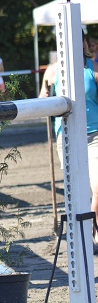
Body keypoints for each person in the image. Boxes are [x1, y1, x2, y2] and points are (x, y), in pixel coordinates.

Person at [53, 36, 98, 250]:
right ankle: (81, 237)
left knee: (97, 188)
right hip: (67, 135)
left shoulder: (94, 67)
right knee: (75, 189)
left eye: (78, 40)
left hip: (95, 134)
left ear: (83, 43)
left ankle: (91, 233)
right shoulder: (54, 71)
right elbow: (46, 96)